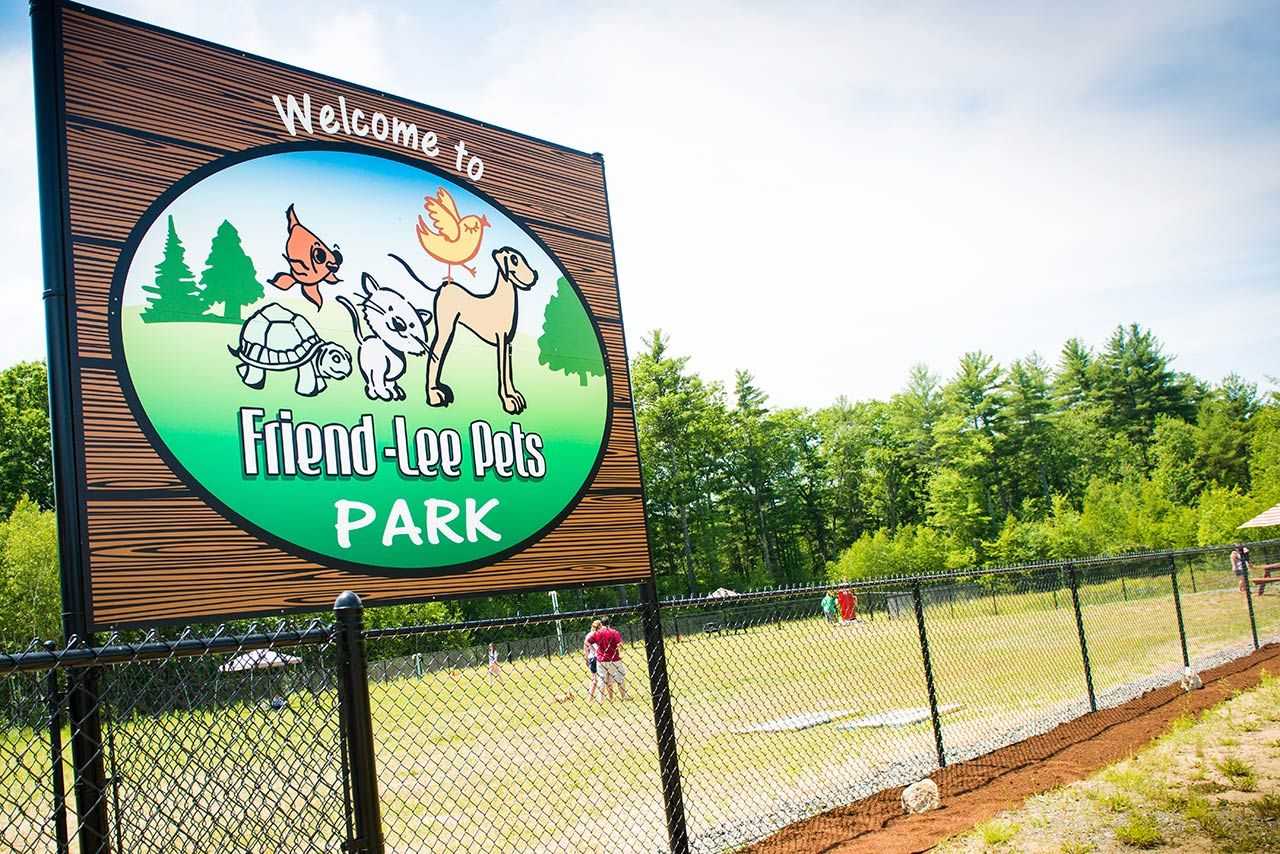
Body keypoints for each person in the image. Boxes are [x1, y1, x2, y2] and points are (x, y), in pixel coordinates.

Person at [585, 616, 626, 701]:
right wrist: (621, 651)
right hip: (614, 658)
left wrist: (594, 650)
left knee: (601, 680)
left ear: (602, 623)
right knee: (620, 678)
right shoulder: (614, 632)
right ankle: (623, 697)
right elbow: (620, 644)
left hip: (601, 659)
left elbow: (587, 642)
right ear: (609, 623)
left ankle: (601, 700)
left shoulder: (597, 633)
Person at [583, 619, 602, 702]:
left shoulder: (588, 635)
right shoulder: (600, 634)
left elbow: (585, 648)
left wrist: (586, 659)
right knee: (602, 678)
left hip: (591, 658)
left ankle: (590, 698)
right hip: (599, 657)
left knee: (594, 678)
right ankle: (600, 698)